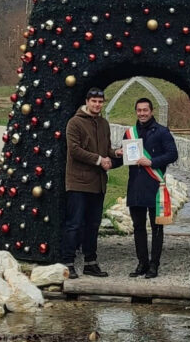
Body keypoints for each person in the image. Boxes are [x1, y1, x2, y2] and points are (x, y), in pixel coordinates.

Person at [116, 98, 178, 279]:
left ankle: (154, 265)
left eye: (145, 110)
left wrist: (152, 162)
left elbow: (173, 154)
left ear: (151, 111)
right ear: (136, 112)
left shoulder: (162, 131)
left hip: (154, 185)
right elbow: (124, 158)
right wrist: (116, 154)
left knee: (157, 228)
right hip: (135, 185)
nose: (142, 113)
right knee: (138, 227)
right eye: (139, 110)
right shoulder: (129, 134)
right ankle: (142, 262)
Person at [62, 87, 120, 278]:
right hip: (78, 182)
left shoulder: (103, 123)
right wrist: (99, 160)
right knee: (75, 223)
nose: (97, 104)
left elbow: (106, 149)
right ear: (87, 102)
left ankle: (90, 262)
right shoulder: (74, 122)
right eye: (94, 101)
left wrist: (115, 153)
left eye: (100, 101)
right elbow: (75, 150)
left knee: (93, 224)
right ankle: (68, 263)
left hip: (98, 183)